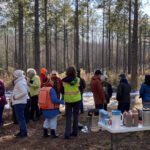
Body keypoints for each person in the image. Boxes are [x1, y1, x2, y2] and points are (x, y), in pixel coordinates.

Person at [62, 66, 81, 139]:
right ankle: (75, 132)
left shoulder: (64, 81)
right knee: (76, 116)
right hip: (77, 100)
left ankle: (67, 134)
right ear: (74, 72)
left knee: (68, 117)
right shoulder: (78, 79)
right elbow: (81, 88)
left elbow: (62, 90)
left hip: (68, 100)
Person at [12, 70, 28, 138]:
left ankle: (23, 132)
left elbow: (24, 92)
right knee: (21, 118)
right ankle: (22, 131)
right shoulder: (22, 81)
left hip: (19, 103)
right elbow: (27, 90)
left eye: (14, 76)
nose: (13, 77)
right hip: (20, 102)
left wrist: (15, 97)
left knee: (20, 118)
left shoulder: (20, 83)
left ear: (17, 76)